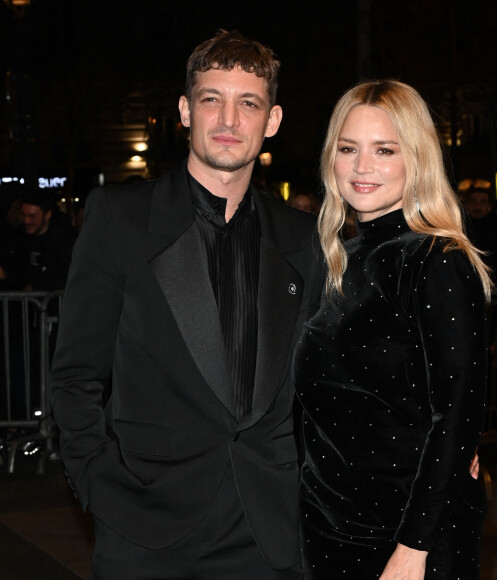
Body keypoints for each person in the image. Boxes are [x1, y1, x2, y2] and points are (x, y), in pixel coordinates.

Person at [50, 30, 324, 580]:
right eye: (210, 99)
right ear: (184, 110)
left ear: (271, 121)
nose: (229, 119)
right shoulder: (120, 219)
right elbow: (76, 374)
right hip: (148, 531)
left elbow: (329, 383)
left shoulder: (305, 238)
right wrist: (99, 485)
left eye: (248, 103)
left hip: (270, 535)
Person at [293, 80, 492, 579]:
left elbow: (457, 414)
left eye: (385, 150)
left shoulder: (436, 260)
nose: (362, 166)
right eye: (348, 149)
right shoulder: (341, 259)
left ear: (417, 158)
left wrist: (413, 549)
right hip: (330, 527)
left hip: (408, 537)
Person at [0, 188, 74, 291]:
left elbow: (68, 277)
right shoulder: (19, 239)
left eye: (32, 216)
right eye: (24, 214)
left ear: (47, 214)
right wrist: (5, 275)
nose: (27, 220)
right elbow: (16, 272)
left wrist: (36, 287)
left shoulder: (63, 241)